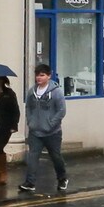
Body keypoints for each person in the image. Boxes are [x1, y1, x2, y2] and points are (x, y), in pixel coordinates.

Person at [19, 60, 69, 196]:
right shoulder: (32, 92)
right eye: (37, 75)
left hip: (52, 132)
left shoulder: (56, 92)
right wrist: (31, 121)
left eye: (42, 75)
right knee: (32, 157)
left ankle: (62, 178)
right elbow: (28, 107)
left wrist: (51, 123)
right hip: (35, 131)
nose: (38, 78)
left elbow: (61, 111)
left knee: (56, 156)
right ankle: (30, 182)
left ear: (49, 76)